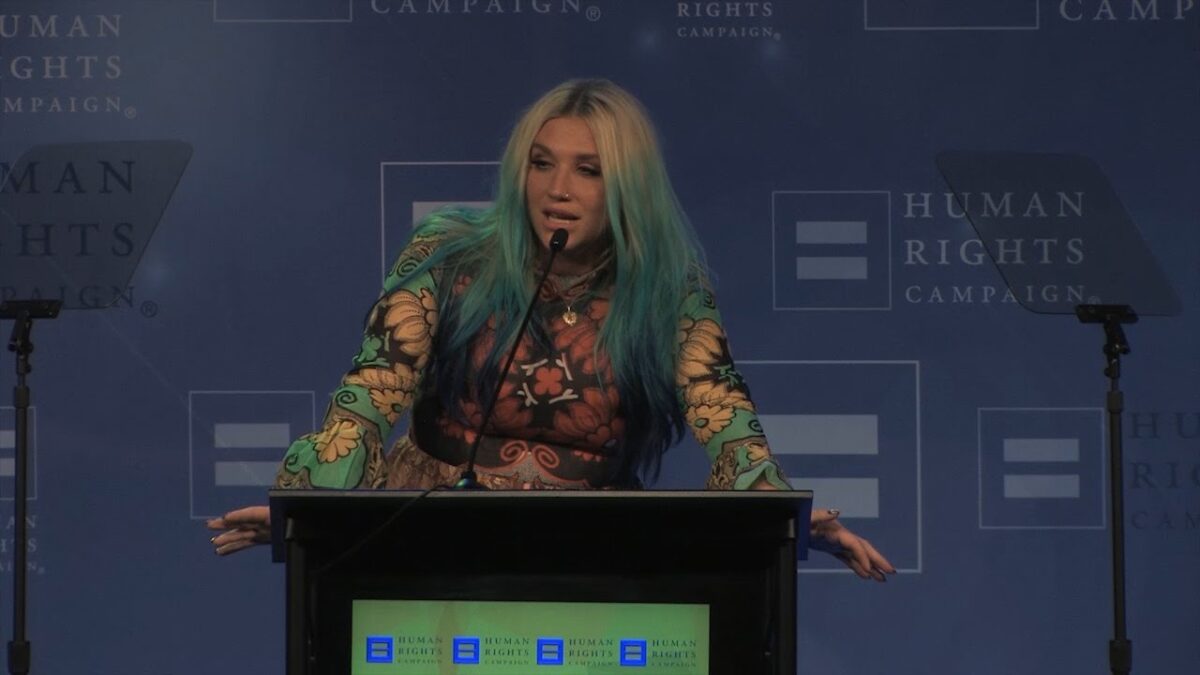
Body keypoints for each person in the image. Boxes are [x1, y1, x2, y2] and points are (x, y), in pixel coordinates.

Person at [208, 79, 894, 582]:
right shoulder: (449, 252)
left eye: (587, 170)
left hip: (589, 550)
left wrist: (783, 518)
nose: (557, 188)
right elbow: (373, 388)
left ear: (626, 187)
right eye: (542, 163)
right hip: (429, 531)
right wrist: (312, 507)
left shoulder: (668, 286)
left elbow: (724, 410)